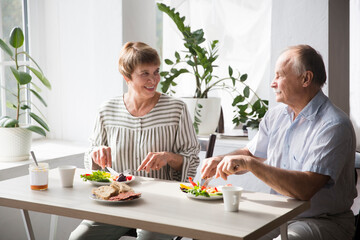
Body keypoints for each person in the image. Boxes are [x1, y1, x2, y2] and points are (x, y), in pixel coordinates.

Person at [201, 45, 357, 240]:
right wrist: (221, 160)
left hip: (323, 221)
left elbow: (305, 189)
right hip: (277, 217)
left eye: (279, 76)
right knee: (222, 233)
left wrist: (249, 164)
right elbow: (250, 153)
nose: (272, 84)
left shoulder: (334, 125)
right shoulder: (276, 115)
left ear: (305, 79)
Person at [69, 41, 200, 240]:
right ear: (127, 77)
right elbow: (91, 161)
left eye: (156, 71)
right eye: (144, 73)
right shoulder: (107, 110)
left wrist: (169, 158)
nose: (153, 79)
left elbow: (192, 158)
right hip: (115, 201)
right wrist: (96, 154)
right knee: (78, 238)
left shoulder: (176, 109)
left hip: (161, 203)